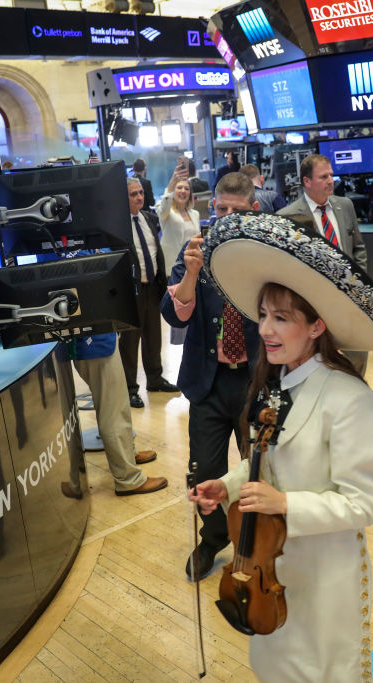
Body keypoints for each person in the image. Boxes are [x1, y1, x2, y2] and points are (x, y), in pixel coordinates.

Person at [189, 210, 373, 682]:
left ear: (316, 327)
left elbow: (362, 504)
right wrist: (226, 485)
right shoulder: (274, 383)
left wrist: (285, 504)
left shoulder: (351, 400)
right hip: (266, 566)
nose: (266, 329)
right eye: (264, 315)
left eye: (282, 318)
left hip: (325, 575)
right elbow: (263, 463)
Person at [162, 172, 263, 580]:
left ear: (253, 212)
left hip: (256, 381)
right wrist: (190, 272)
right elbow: (173, 313)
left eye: (235, 212)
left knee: (257, 469)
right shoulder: (194, 254)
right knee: (205, 471)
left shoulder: (267, 257)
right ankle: (214, 537)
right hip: (208, 380)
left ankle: (257, 541)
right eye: (220, 210)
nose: (225, 218)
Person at [277, 153, 368, 374]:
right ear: (307, 182)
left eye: (331, 175)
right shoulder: (287, 216)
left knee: (355, 359)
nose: (330, 180)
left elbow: (358, 248)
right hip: (312, 305)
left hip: (349, 299)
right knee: (318, 363)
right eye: (324, 176)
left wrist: (359, 283)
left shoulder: (345, 206)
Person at [60, 333, 168, 499]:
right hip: (93, 343)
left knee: (118, 403)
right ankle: (128, 479)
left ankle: (128, 455)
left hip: (101, 338)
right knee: (112, 411)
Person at [119, 179, 176, 408]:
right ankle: (130, 388)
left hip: (153, 287)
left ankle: (154, 379)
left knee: (154, 337)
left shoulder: (149, 218)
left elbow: (154, 252)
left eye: (141, 192)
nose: (139, 197)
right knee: (130, 342)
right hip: (131, 291)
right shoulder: (118, 225)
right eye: (134, 194)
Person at [157, 157, 201, 275]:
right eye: (179, 187)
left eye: (186, 188)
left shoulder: (195, 214)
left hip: (192, 268)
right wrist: (171, 183)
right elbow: (163, 207)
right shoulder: (165, 212)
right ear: (173, 191)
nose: (183, 191)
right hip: (172, 269)